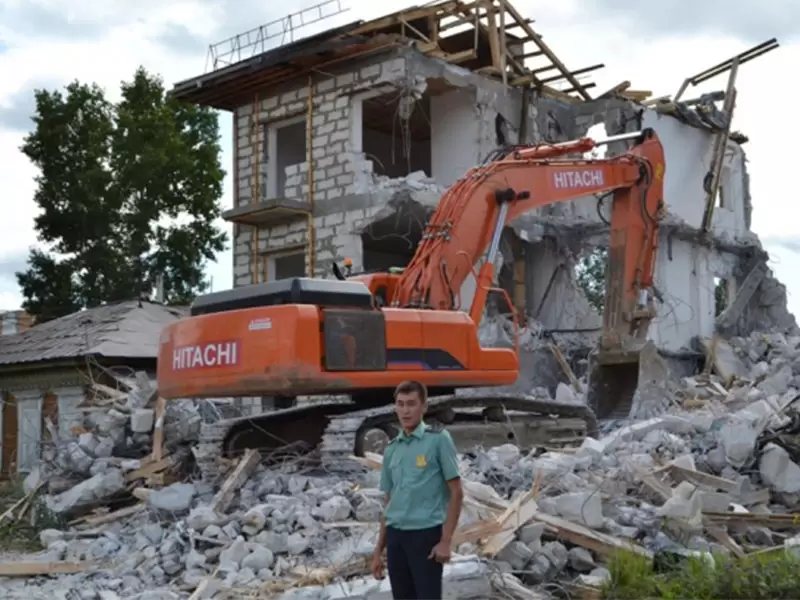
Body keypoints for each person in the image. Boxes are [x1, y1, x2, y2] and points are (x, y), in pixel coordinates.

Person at [371, 380, 464, 600]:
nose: (405, 411)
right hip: (396, 538)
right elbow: (389, 501)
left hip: (425, 536)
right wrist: (378, 551)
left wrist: (446, 541)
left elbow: (457, 492)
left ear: (424, 407)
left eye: (411, 404)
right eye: (401, 404)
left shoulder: (438, 440)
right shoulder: (392, 449)